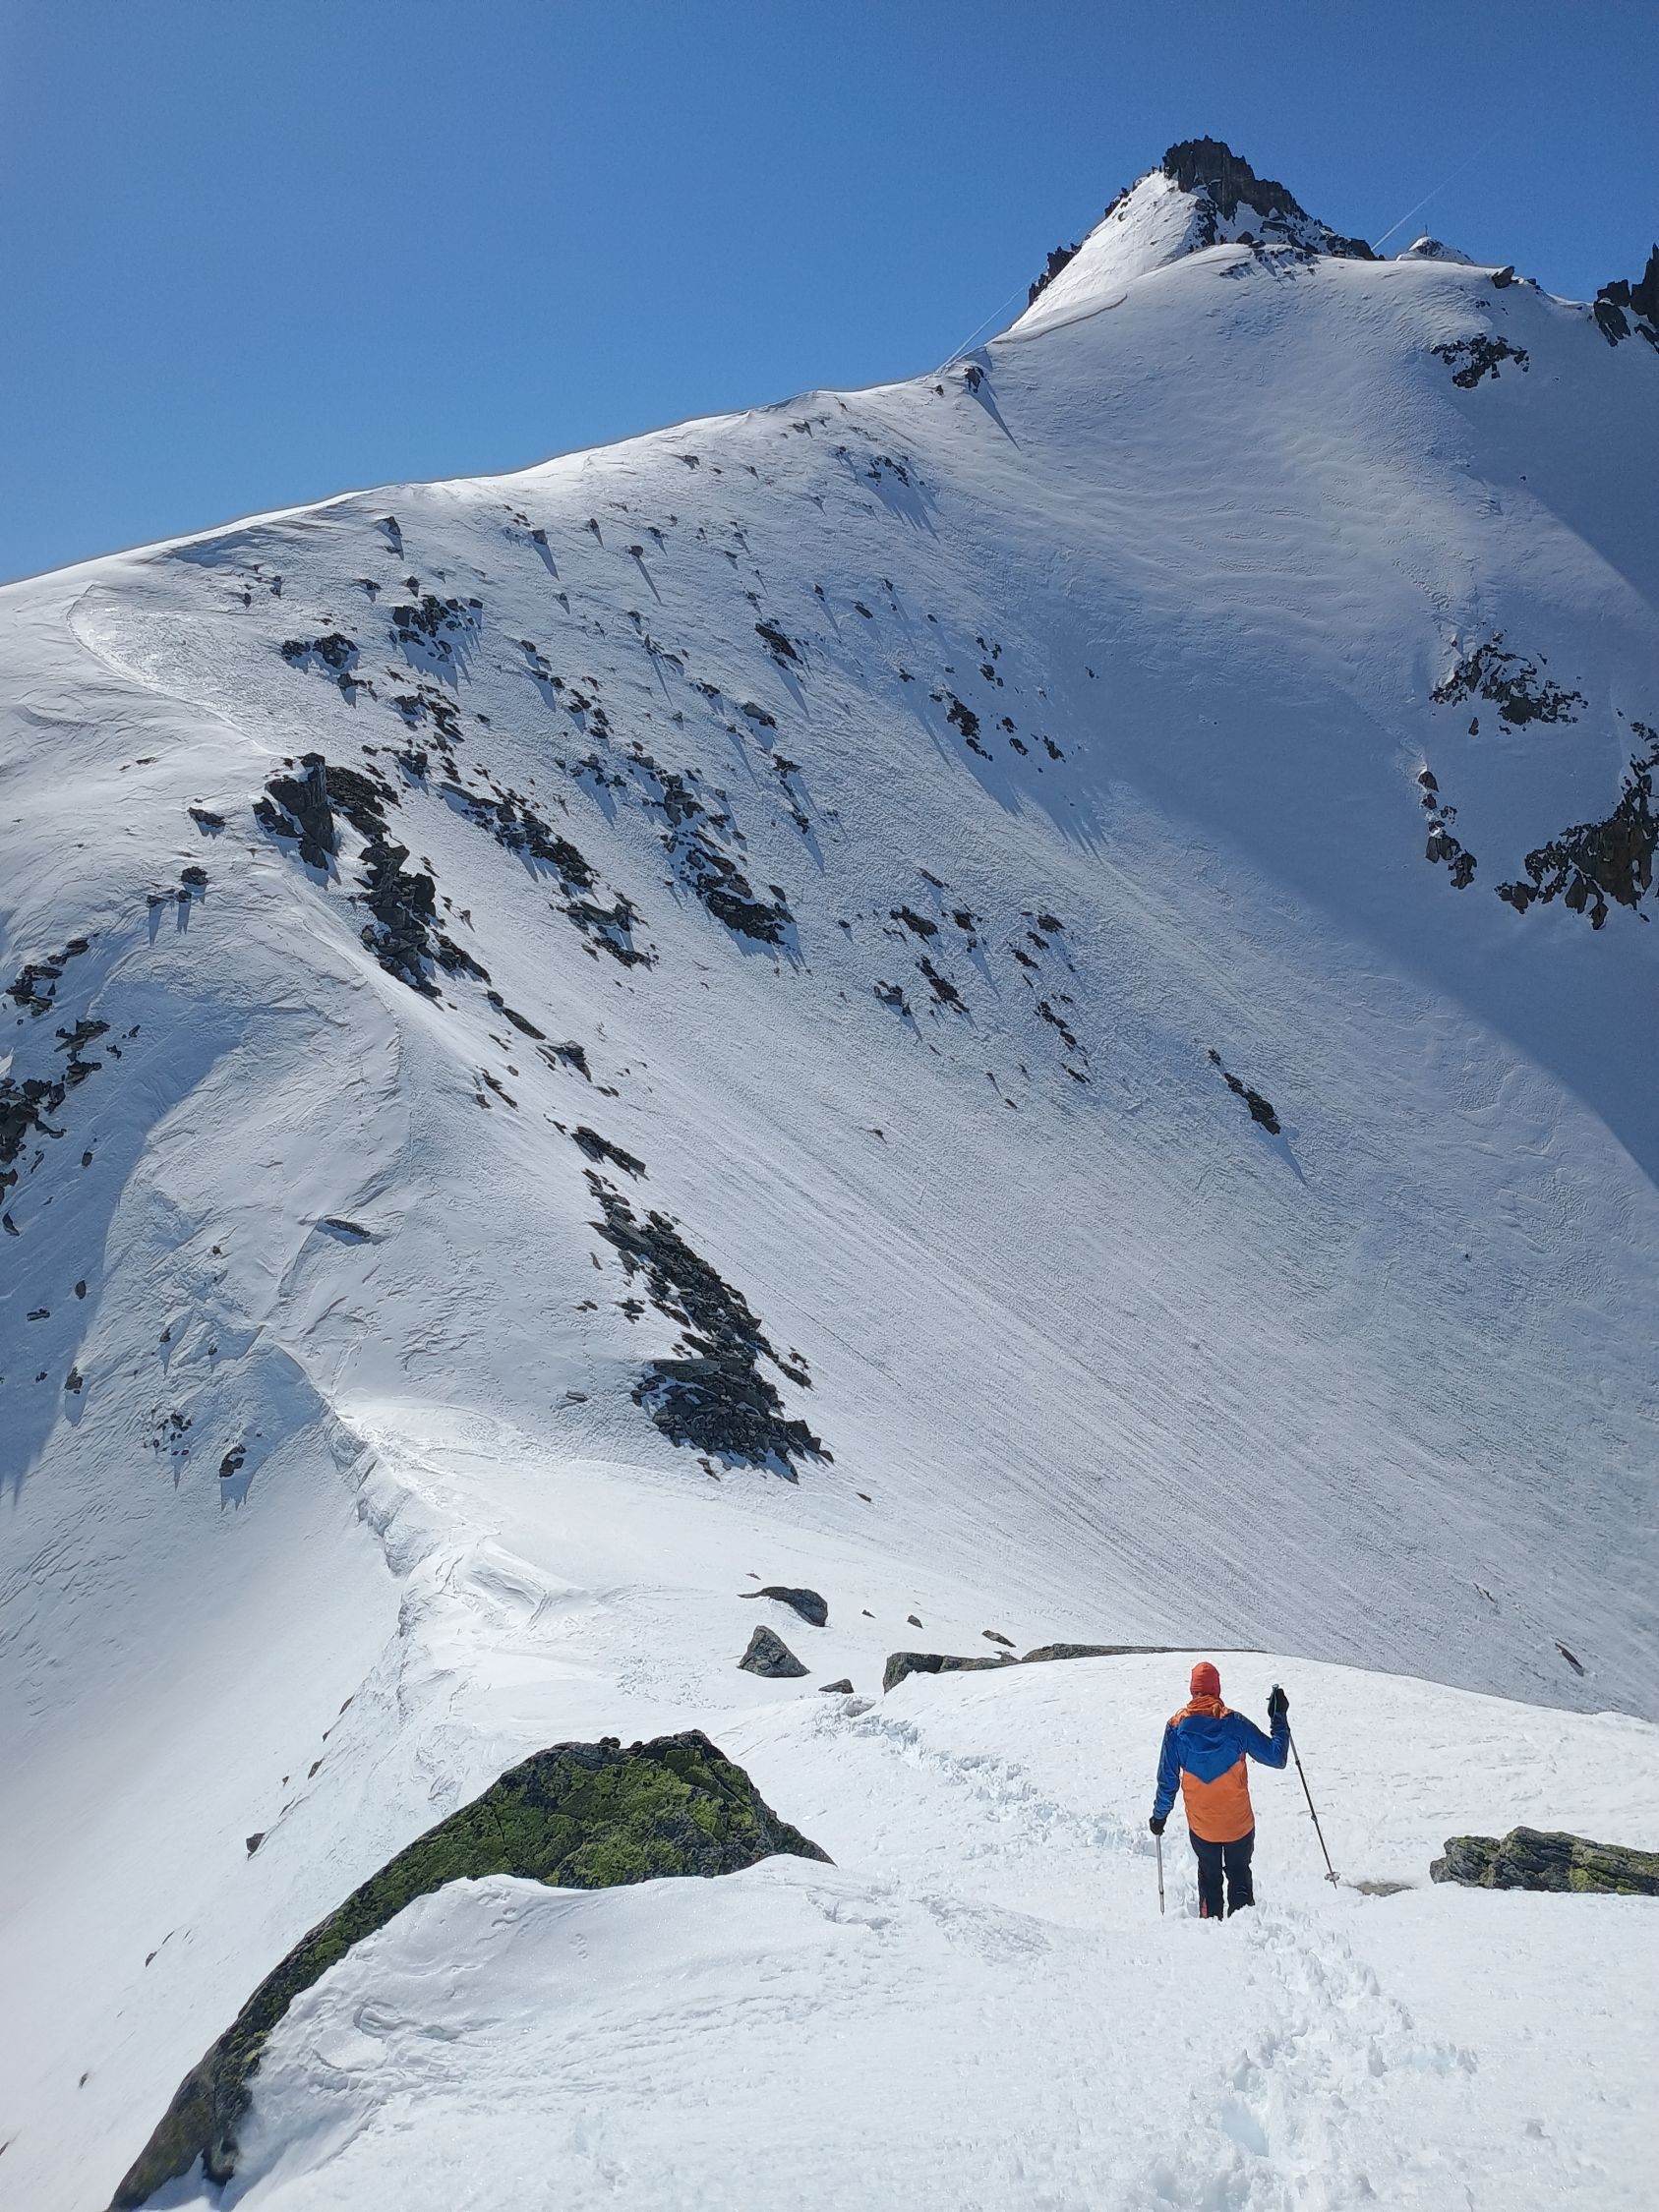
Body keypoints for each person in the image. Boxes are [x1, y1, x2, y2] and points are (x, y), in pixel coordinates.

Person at [1149, 1662, 1289, 1917]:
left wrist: (1159, 1817)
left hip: (1202, 1827)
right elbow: (1276, 1757)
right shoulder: (1235, 1724)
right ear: (1217, 1688)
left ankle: (1210, 1924)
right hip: (1238, 1825)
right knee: (1239, 1875)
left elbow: (1167, 1782)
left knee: (1209, 1877)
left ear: (1192, 1690)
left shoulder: (1176, 1728)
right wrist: (1279, 1718)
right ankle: (1244, 1926)